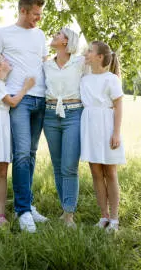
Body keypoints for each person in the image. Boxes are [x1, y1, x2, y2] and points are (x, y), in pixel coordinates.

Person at [0, 0, 49, 233]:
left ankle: (28, 204)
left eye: (40, 15)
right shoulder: (3, 33)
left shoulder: (40, 35)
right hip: (18, 101)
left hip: (41, 99)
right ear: (23, 11)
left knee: (30, 153)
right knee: (19, 154)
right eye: (35, 15)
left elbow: (45, 64)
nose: (38, 19)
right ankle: (22, 211)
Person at [0, 52, 35, 227]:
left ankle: (1, 213)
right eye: (4, 60)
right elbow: (13, 102)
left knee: (2, 172)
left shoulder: (0, 83)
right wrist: (26, 87)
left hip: (3, 127)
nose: (8, 61)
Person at [80, 41, 125, 232]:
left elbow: (118, 106)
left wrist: (116, 132)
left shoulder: (111, 79)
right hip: (89, 127)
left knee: (110, 172)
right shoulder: (84, 78)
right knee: (96, 173)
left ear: (100, 57)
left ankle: (114, 219)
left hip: (106, 126)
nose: (86, 53)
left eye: (90, 51)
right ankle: (103, 216)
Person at [43, 28, 85, 227]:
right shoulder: (46, 65)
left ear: (67, 41)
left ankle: (69, 214)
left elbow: (103, 69)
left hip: (74, 113)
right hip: (50, 114)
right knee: (58, 166)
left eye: (59, 34)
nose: (54, 35)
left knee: (69, 166)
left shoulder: (80, 63)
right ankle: (64, 208)